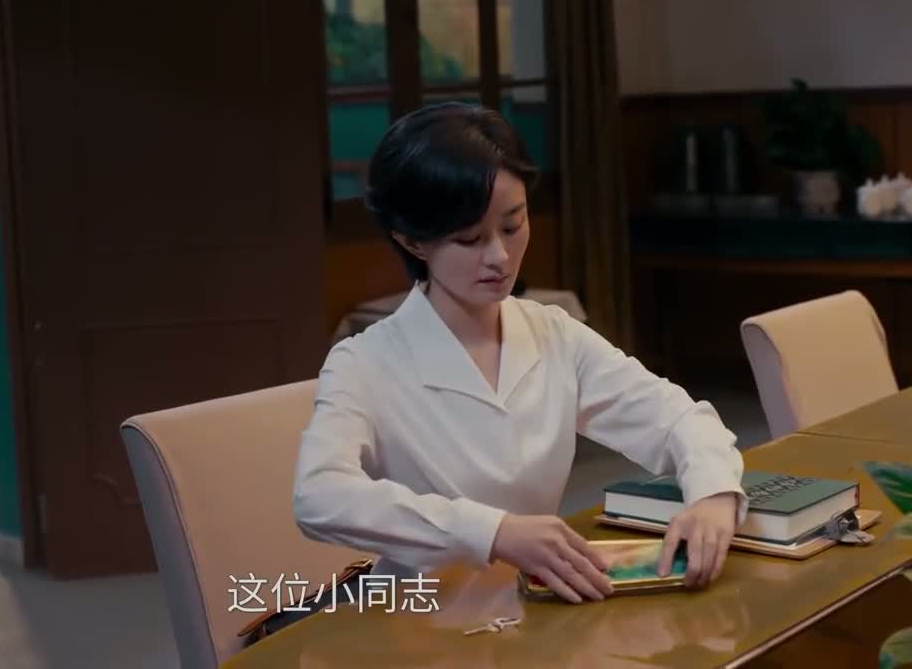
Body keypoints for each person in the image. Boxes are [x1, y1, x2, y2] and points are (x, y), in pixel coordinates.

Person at [292, 104, 747, 604]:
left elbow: (675, 417)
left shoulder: (553, 333)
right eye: (470, 238)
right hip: (419, 613)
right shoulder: (364, 363)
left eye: (512, 226)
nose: (500, 257)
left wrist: (713, 493)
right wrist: (493, 532)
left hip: (538, 603)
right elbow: (319, 495)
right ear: (413, 242)